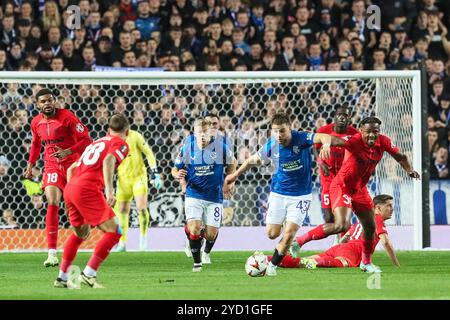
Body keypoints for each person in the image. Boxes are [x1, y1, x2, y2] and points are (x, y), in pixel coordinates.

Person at [289, 117, 420, 273]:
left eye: (375, 132)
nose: (372, 135)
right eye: (368, 132)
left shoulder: (384, 142)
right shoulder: (354, 140)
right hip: (342, 185)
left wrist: (409, 170)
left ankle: (366, 263)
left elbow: (401, 157)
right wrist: (326, 144)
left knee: (370, 227)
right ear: (361, 130)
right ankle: (299, 242)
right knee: (341, 225)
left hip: (359, 189)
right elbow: (335, 140)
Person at [223, 112, 346, 276]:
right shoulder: (272, 144)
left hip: (301, 196)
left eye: (282, 131)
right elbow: (253, 160)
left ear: (290, 129)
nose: (278, 135)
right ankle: (285, 234)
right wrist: (235, 175)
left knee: (289, 234)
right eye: (275, 131)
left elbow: (323, 136)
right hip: (278, 193)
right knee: (272, 234)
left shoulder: (301, 138)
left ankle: (272, 266)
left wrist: (326, 145)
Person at [54, 114, 130, 289]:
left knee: (81, 233)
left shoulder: (96, 142)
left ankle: (62, 277)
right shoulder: (120, 143)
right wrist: (110, 191)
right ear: (127, 131)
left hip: (71, 187)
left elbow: (72, 168)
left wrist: (71, 193)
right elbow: (109, 160)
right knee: (115, 231)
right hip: (87, 189)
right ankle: (89, 274)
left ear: (108, 130)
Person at [24, 88, 92, 267]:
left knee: (76, 206)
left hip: (73, 165)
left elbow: (87, 140)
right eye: (43, 102)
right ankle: (52, 253)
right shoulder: (35, 122)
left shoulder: (67, 116)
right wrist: (30, 165)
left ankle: (86, 225)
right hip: (51, 165)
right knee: (52, 201)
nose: (47, 104)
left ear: (55, 101)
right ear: (37, 105)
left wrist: (69, 151)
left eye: (49, 100)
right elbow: (36, 144)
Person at [172, 118, 237, 271]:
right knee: (195, 228)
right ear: (194, 133)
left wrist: (229, 180)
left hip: (214, 196)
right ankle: (197, 263)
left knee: (210, 235)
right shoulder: (187, 149)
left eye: (205, 132)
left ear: (210, 133)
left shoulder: (220, 148)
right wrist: (177, 175)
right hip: (194, 193)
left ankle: (192, 235)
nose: (202, 135)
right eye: (199, 132)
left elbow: (233, 162)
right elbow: (174, 169)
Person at [271, 194, 400, 269]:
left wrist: (341, 246)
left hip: (340, 247)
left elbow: (348, 235)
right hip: (352, 251)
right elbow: (385, 242)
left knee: (302, 262)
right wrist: (396, 264)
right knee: (342, 263)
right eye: (388, 206)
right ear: (378, 208)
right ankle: (316, 262)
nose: (391, 209)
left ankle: (270, 260)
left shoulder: (363, 220)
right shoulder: (377, 220)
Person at [114, 128, 162, 252]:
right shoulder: (111, 139)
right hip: (122, 180)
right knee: (122, 211)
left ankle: (143, 239)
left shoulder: (135, 136)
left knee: (141, 207)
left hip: (138, 178)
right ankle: (122, 242)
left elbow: (148, 152)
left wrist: (155, 172)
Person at [313, 105, 359, 229]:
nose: (342, 118)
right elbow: (315, 147)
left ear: (349, 118)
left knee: (344, 217)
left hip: (344, 179)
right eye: (339, 115)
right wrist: (321, 163)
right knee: (329, 218)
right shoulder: (324, 130)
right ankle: (336, 239)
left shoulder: (355, 134)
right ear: (334, 117)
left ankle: (340, 243)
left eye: (345, 115)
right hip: (327, 177)